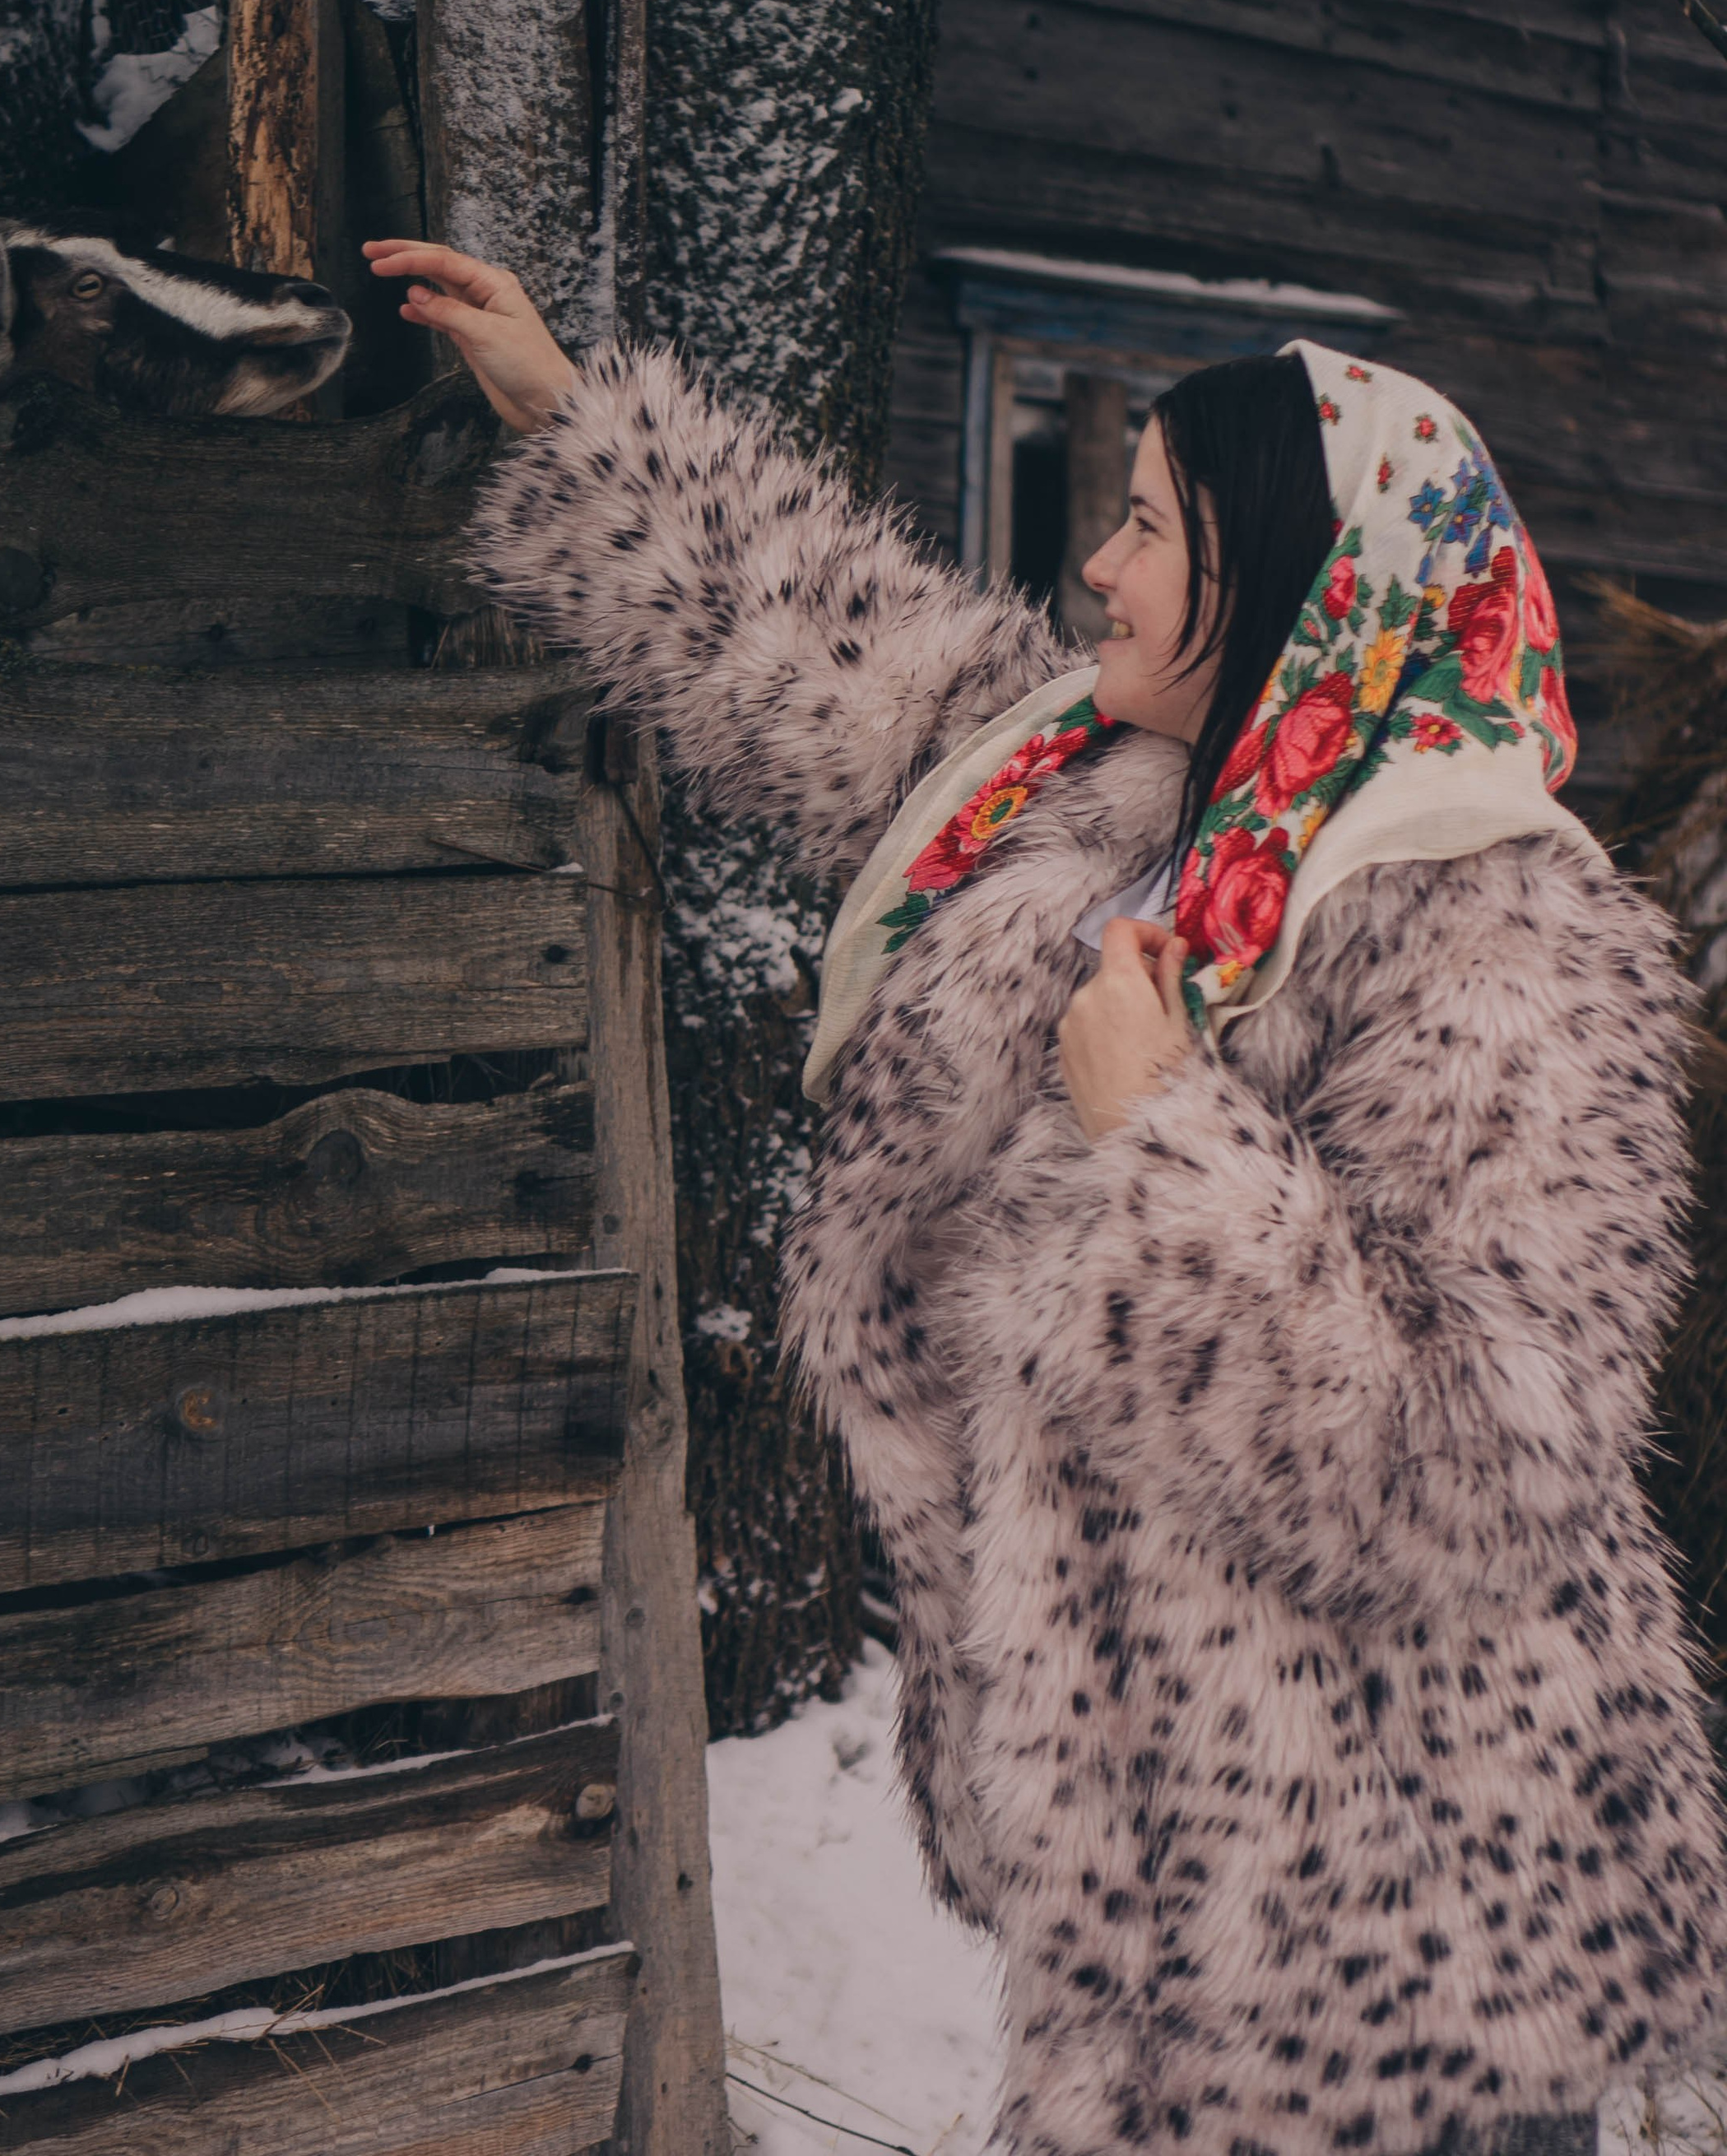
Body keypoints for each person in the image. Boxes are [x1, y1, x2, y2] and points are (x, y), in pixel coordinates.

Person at [368, 235, 1727, 2156]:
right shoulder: (1095, 789)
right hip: (1147, 1904)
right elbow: (817, 641)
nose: (1096, 566)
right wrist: (568, 414)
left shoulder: (1496, 926)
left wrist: (1164, 1138)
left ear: (1288, 584)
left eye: (1148, 528)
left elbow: (1473, 1471)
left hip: (1402, 1949)